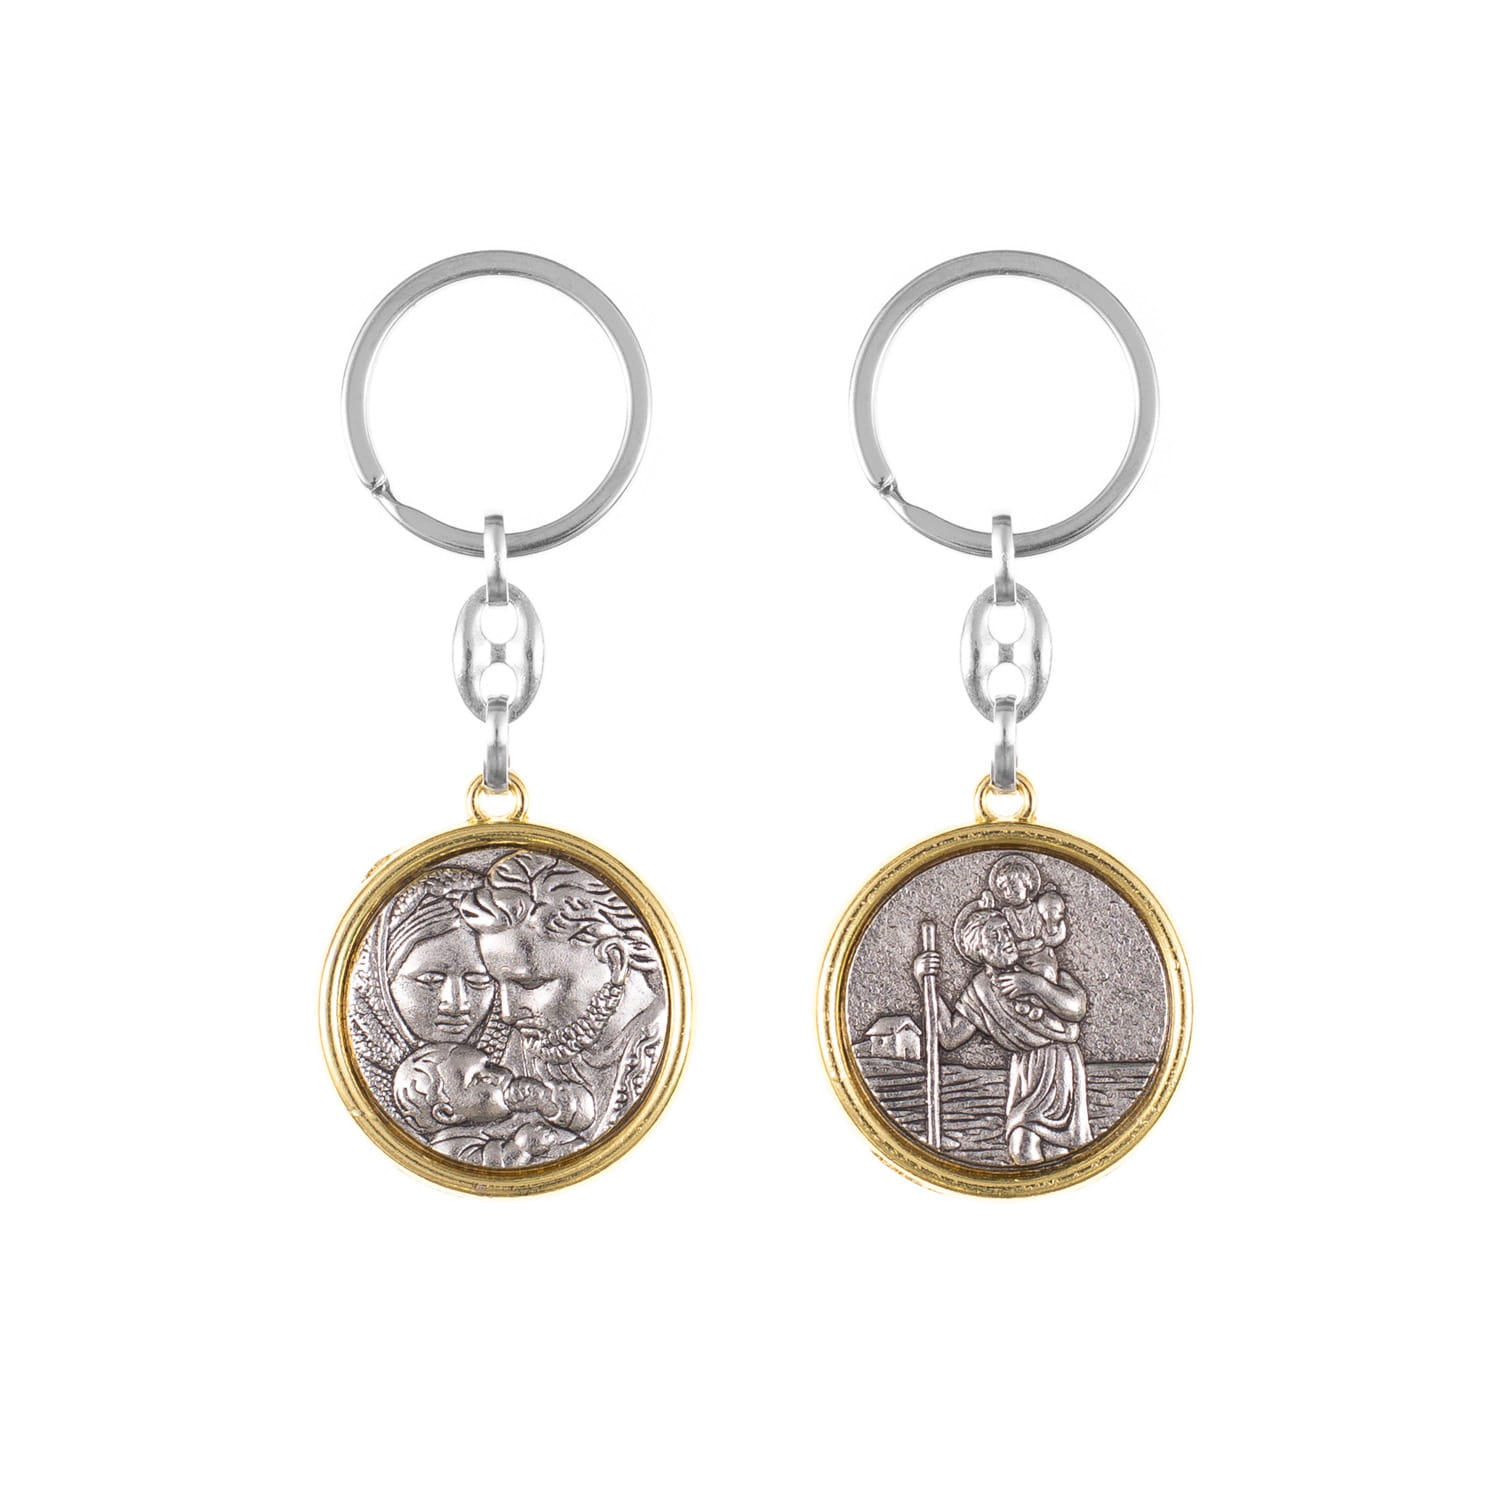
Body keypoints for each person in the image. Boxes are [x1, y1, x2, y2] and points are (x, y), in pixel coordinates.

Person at [457, 851, 665, 1141]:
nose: (508, 1013)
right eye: (498, 983)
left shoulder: (657, 1045)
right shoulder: (526, 1048)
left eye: (531, 983)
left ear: (615, 961)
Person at [915, 894, 1091, 1164]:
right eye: (994, 937)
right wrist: (924, 982)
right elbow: (949, 1037)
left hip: (1057, 1063)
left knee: (1036, 1146)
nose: (1006, 939)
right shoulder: (980, 989)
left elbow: (1076, 1008)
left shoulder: (1038, 966)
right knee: (1033, 1147)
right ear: (979, 951)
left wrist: (1035, 985)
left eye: (1006, 931)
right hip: (1023, 1071)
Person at [391, 1042, 593, 1167]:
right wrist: (520, 1148)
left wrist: (548, 1103)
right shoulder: (446, 1149)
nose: (498, 1075)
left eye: (489, 1065)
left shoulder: (508, 1111)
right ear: (447, 1113)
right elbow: (488, 1167)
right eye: (479, 1080)